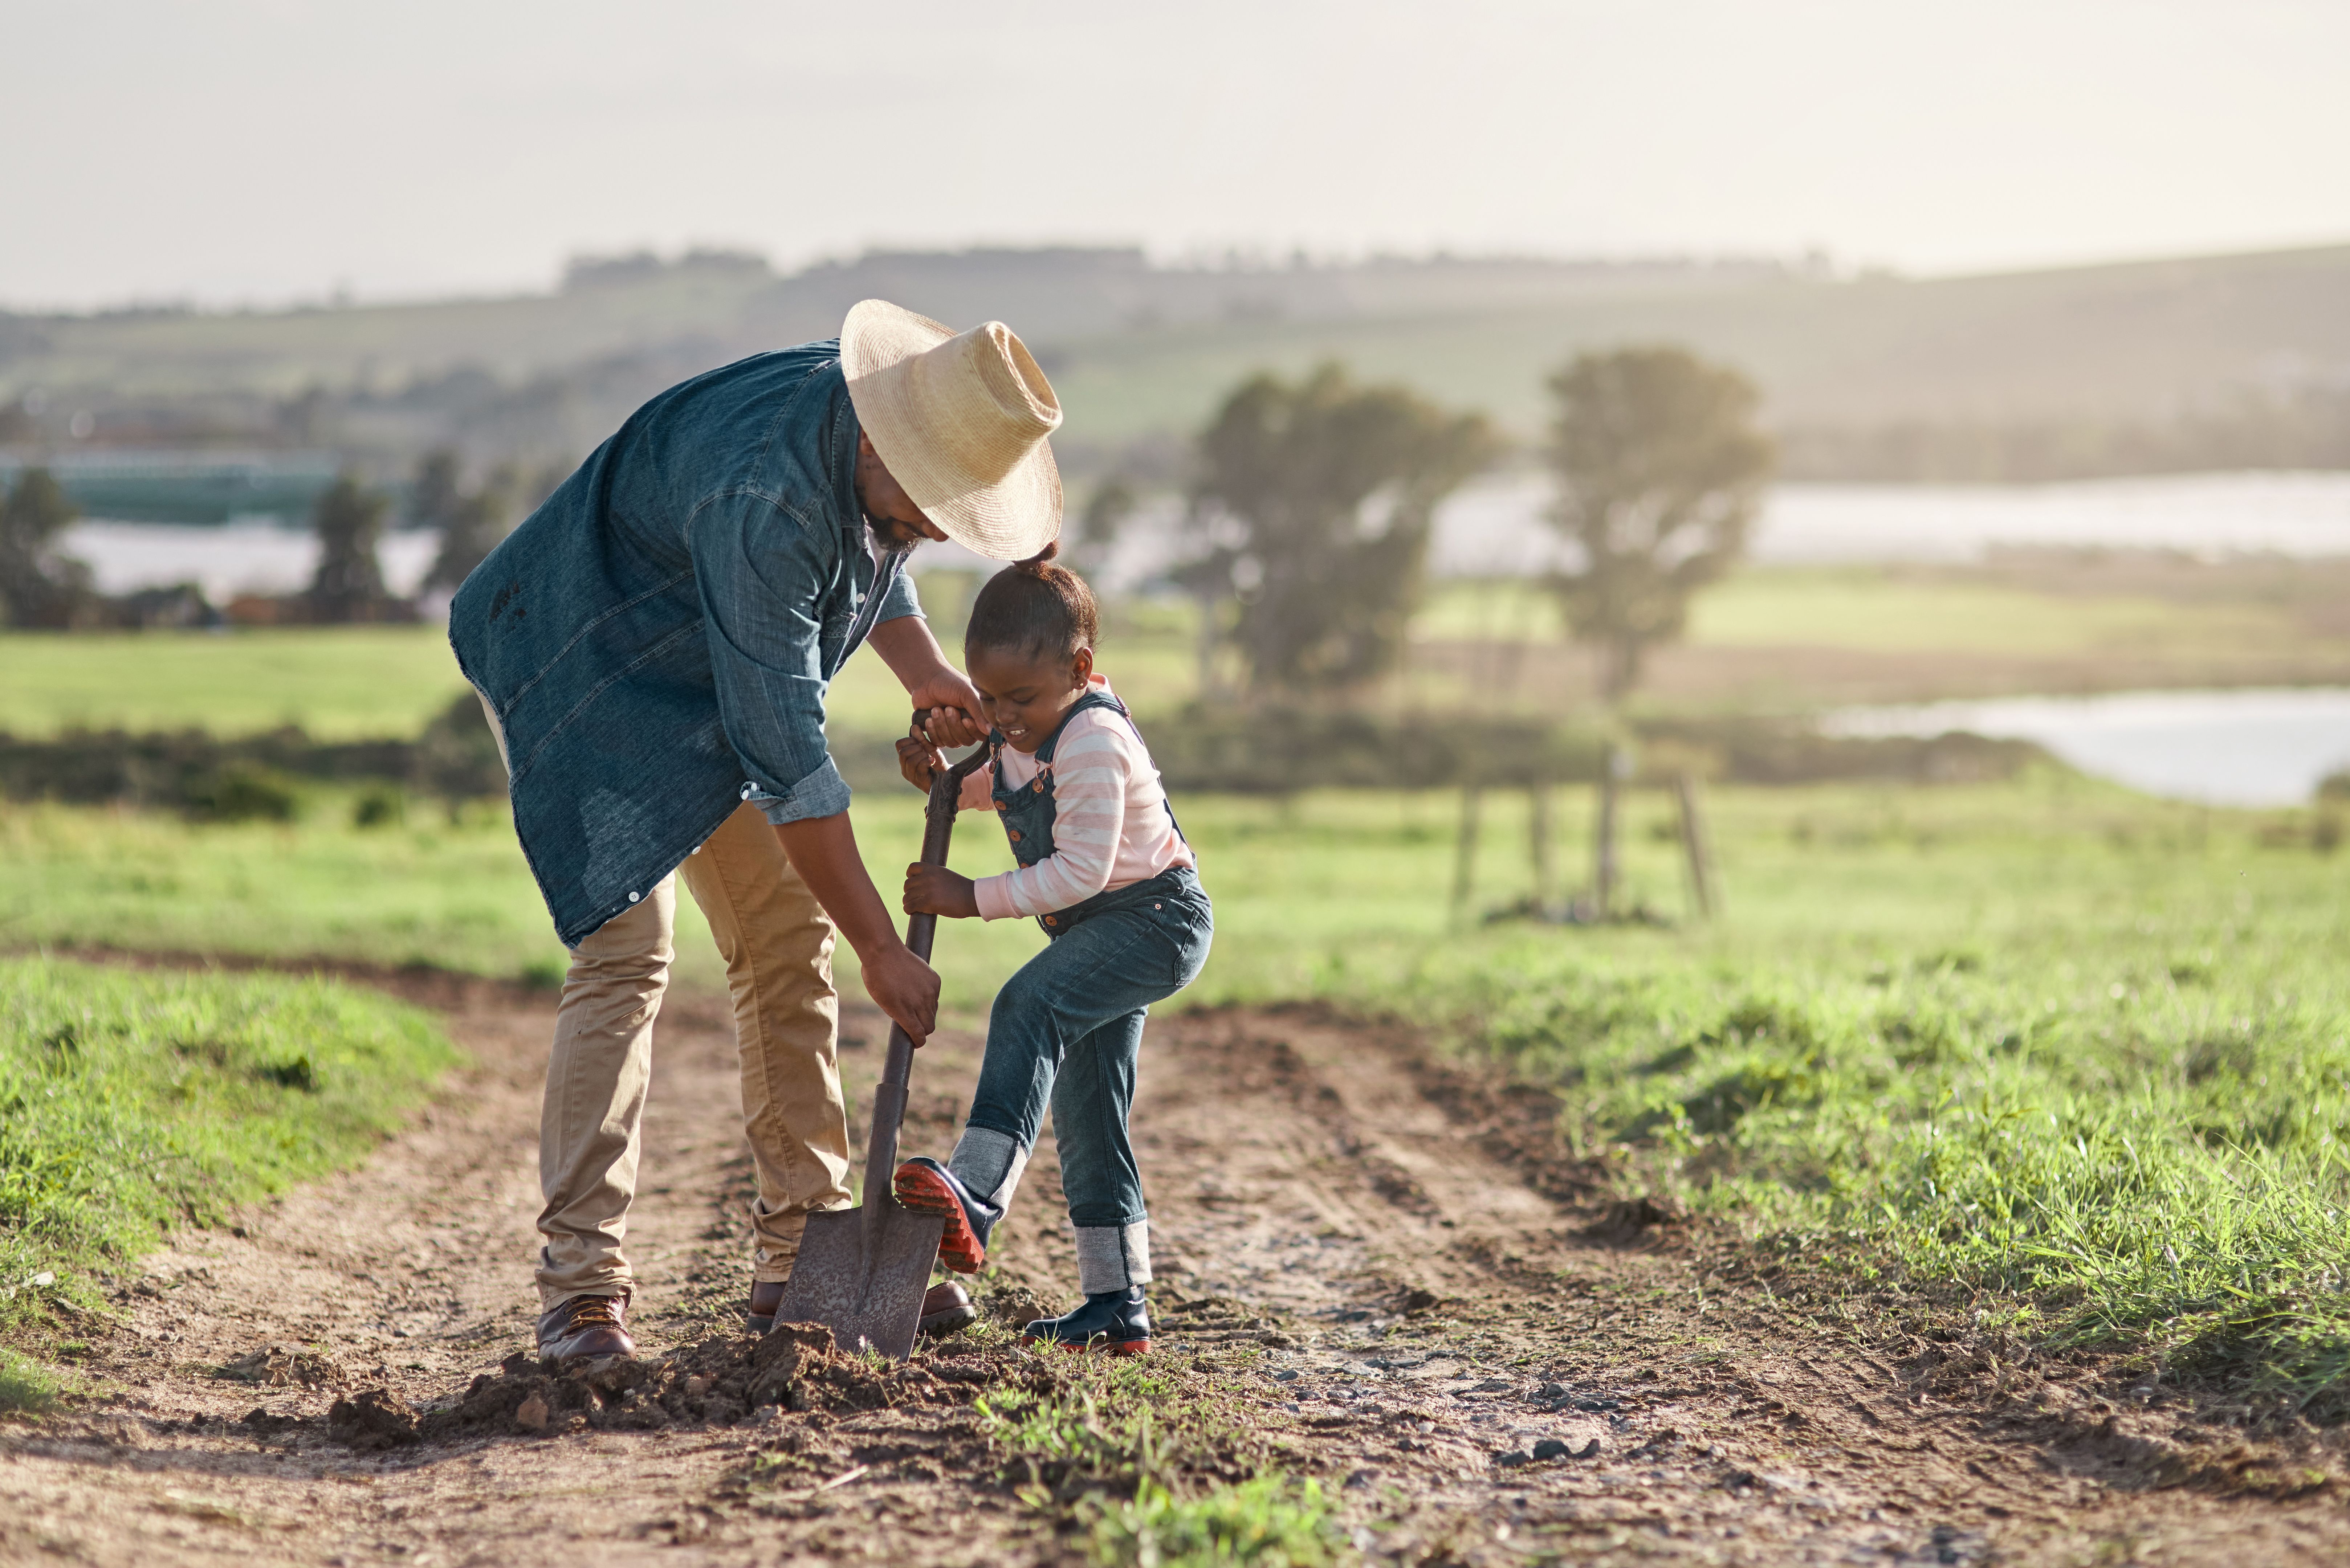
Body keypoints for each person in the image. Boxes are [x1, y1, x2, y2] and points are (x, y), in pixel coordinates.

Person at [449, 300, 1068, 1361]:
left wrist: (925, 671)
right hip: (579, 663)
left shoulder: (873, 428)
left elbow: (870, 550)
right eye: (929, 509)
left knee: (784, 933)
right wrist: (882, 946)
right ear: (881, 442)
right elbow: (790, 761)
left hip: (707, 656)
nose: (930, 533)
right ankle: (581, 1286)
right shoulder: (765, 501)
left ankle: (799, 1253)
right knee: (627, 952)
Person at [888, 547, 1214, 1355]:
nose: (1003, 717)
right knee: (1089, 1112)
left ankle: (977, 1195)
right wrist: (937, 777)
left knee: (1027, 1003)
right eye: (989, 698)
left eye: (1021, 699)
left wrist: (969, 896)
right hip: (1102, 931)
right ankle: (1117, 1304)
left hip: (1155, 921)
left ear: (1079, 668)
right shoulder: (1024, 732)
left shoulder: (1093, 737)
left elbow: (1081, 873)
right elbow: (992, 786)